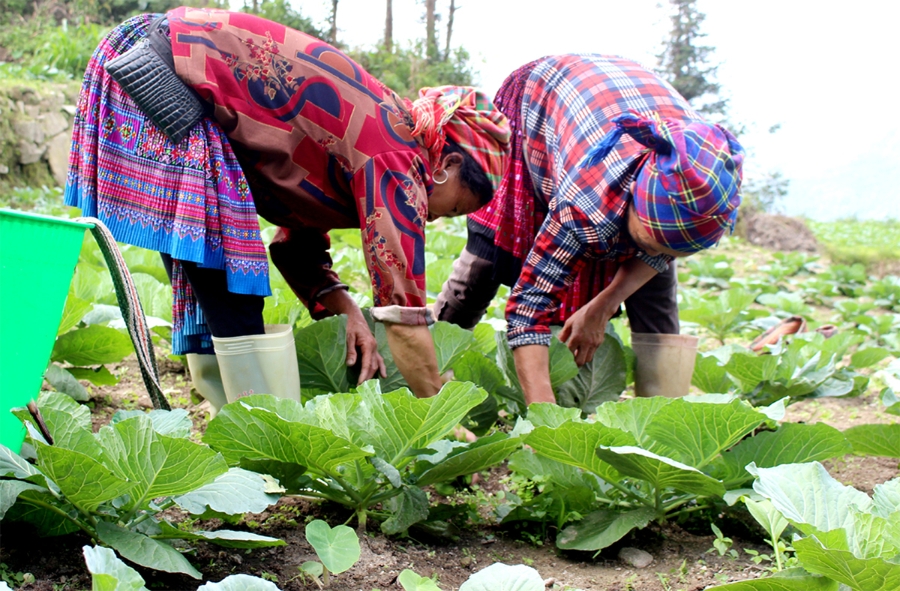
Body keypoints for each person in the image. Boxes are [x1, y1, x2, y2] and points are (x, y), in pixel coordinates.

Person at [65, 7, 510, 410]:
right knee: (226, 269)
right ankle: (258, 428)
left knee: (215, 271)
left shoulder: (387, 134)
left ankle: (239, 421)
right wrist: (439, 407)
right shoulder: (397, 158)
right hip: (164, 67)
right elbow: (403, 315)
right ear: (447, 165)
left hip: (161, 63)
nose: (434, 217)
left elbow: (297, 244)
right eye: (454, 208)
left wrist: (347, 310)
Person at [435, 55, 744, 406]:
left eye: (671, 250)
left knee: (656, 291)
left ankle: (664, 417)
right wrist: (548, 420)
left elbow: (659, 248)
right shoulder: (583, 202)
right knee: (491, 250)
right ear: (632, 197)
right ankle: (430, 368)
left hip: (620, 100)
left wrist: (604, 305)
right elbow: (528, 310)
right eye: (647, 241)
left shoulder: (707, 182)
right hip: (543, 98)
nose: (651, 254)